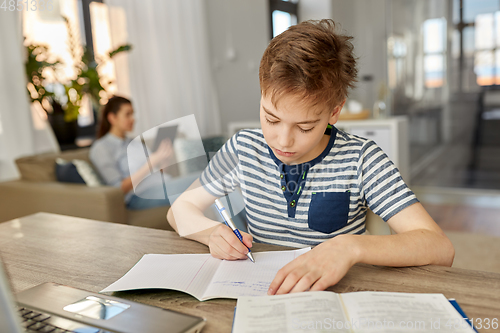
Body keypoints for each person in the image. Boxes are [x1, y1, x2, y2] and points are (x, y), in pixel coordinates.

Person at [166, 20, 455, 294]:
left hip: (336, 294)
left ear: (334, 112)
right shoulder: (244, 148)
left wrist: (350, 247)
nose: (283, 141)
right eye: (271, 119)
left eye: (305, 127)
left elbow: (440, 248)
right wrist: (211, 233)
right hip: (259, 290)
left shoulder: (362, 159)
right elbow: (179, 210)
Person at [90, 96, 173, 210]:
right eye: (127, 114)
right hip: (137, 196)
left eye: (132, 114)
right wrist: (150, 163)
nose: (133, 119)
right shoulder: (101, 148)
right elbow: (119, 188)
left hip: (161, 185)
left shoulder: (134, 143)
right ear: (112, 118)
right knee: (199, 185)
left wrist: (164, 159)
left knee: (200, 182)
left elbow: (156, 174)